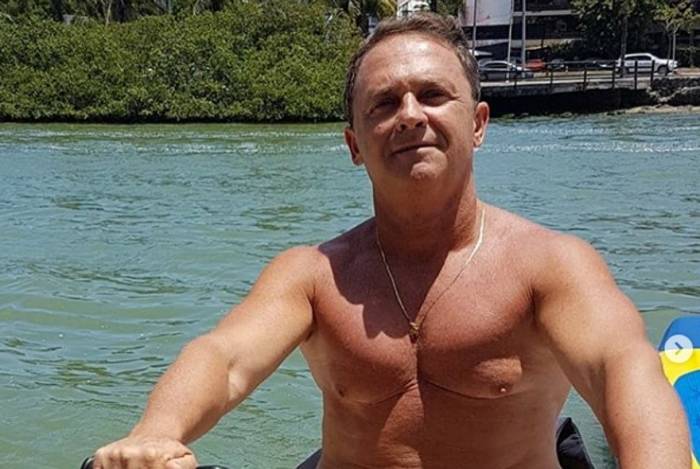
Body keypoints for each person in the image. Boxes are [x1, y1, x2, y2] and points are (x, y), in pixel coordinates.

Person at [92, 13, 690, 469]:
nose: (409, 115)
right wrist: (155, 433)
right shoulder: (313, 275)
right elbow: (224, 359)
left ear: (478, 124)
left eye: (433, 95)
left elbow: (619, 368)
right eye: (383, 103)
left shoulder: (550, 265)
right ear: (355, 145)